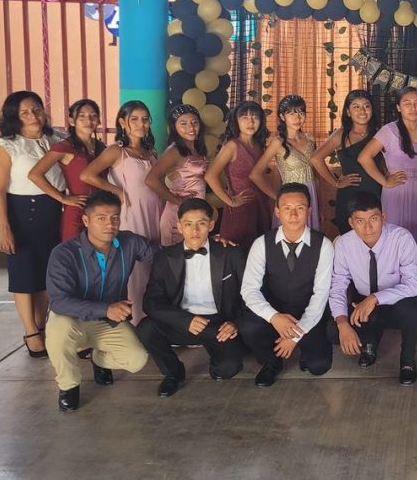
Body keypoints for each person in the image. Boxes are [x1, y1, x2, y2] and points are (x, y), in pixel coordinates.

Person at [45, 191, 157, 411]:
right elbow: (59, 301)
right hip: (72, 318)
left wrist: (204, 245)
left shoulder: (129, 242)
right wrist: (105, 308)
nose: (110, 224)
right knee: (58, 332)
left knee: (137, 360)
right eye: (101, 218)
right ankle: (69, 386)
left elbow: (163, 256)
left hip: (107, 322)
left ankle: (99, 359)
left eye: (115, 217)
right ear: (86, 220)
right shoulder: (64, 254)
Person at [137, 198, 247, 397]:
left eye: (201, 223)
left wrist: (235, 322)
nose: (195, 230)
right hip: (181, 320)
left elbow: (249, 295)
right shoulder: (165, 257)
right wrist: (184, 320)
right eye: (188, 224)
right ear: (179, 226)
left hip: (218, 322)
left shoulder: (231, 253)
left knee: (227, 369)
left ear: (211, 225)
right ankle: (173, 372)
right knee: (146, 327)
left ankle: (218, 355)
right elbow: (151, 302)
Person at [0, 91, 66, 358]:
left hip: (53, 212)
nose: (33, 116)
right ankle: (31, 331)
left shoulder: (55, 139)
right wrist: (4, 228)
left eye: (36, 109)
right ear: (14, 117)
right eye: (25, 112)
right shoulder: (6, 145)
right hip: (22, 214)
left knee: (45, 275)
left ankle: (42, 325)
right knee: (23, 277)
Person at [238, 182, 334, 385]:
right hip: (275, 311)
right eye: (287, 208)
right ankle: (272, 361)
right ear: (277, 211)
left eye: (300, 208)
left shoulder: (324, 245)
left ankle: (303, 350)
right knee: (248, 326)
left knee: (319, 366)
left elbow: (321, 295)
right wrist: (274, 317)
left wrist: (295, 335)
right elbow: (249, 289)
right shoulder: (261, 243)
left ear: (309, 211)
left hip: (309, 313)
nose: (293, 215)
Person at [358, 87, 417, 323]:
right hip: (396, 194)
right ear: (398, 107)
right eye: (407, 103)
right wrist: (384, 180)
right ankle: (392, 309)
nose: (413, 108)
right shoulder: (389, 131)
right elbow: (365, 157)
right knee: (394, 251)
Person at [81, 100, 164, 323]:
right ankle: (136, 321)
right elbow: (87, 175)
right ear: (122, 122)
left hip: (153, 211)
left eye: (145, 119)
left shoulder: (150, 151)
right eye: (134, 119)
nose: (141, 124)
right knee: (135, 266)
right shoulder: (116, 151)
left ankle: (153, 320)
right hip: (130, 213)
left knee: (155, 264)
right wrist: (115, 190)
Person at [329, 191, 417, 385]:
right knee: (332, 331)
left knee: (411, 309)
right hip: (365, 301)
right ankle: (369, 343)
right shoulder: (344, 244)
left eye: (374, 219)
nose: (368, 227)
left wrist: (374, 298)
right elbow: (338, 285)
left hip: (398, 300)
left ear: (383, 217)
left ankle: (407, 362)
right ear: (351, 222)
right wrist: (342, 323)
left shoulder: (402, 238)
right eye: (360, 221)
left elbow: (414, 285)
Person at [28, 98, 105, 241]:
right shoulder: (64, 147)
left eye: (93, 116)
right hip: (77, 208)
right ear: (71, 121)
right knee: (74, 253)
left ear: (99, 120)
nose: (88, 120)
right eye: (81, 116)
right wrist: (63, 198)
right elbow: (34, 174)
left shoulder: (101, 147)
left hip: (101, 209)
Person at [310, 89, 382, 234]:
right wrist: (336, 182)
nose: (362, 111)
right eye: (356, 107)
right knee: (350, 240)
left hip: (376, 193)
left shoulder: (380, 133)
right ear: (348, 112)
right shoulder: (341, 135)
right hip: (350, 196)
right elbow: (315, 158)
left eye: (366, 106)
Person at [206, 101, 273, 248]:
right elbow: (210, 175)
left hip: (260, 205)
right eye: (244, 117)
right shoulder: (232, 145)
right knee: (239, 253)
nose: (250, 122)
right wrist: (230, 200)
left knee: (260, 253)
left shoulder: (258, 144)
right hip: (240, 209)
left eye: (255, 117)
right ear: (236, 121)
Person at [250, 95, 320, 230]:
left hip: (311, 198)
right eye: (291, 113)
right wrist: (278, 197)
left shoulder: (310, 139)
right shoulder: (278, 142)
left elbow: (316, 177)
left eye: (301, 113)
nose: (297, 118)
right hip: (290, 199)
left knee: (311, 240)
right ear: (282, 117)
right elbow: (255, 174)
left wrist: (320, 205)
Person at [146, 104, 208, 247]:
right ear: (174, 127)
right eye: (183, 124)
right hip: (177, 216)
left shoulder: (196, 148)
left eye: (194, 122)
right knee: (176, 263)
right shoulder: (174, 151)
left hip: (195, 214)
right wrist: (177, 200)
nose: (191, 128)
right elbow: (150, 180)